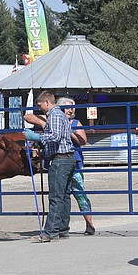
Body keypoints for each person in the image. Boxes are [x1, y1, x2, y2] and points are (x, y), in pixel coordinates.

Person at [35, 91, 76, 242]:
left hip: (60, 160)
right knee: (65, 196)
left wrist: (37, 137)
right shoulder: (62, 116)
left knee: (56, 196)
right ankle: (62, 229)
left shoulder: (55, 115)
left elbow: (55, 136)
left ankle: (50, 232)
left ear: (47, 102)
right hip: (68, 159)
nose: (40, 109)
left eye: (40, 105)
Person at [58, 97, 96, 236]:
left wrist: (70, 131)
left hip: (75, 162)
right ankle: (62, 226)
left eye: (72, 107)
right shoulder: (55, 122)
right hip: (60, 162)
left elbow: (83, 141)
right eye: (67, 107)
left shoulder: (76, 123)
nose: (70, 110)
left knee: (79, 193)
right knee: (61, 195)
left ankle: (89, 224)